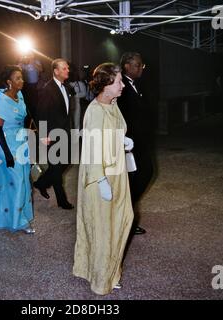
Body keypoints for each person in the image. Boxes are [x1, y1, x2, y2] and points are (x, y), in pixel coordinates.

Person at [73, 63, 134, 295]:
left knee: (122, 219)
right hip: (102, 179)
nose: (122, 85)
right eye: (119, 81)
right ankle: (101, 280)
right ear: (107, 83)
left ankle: (110, 271)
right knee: (103, 229)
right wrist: (100, 180)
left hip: (118, 174)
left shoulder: (113, 104)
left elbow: (112, 134)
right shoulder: (95, 110)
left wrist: (122, 141)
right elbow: (91, 149)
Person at [0, 65, 35, 234]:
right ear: (9, 82)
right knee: (16, 180)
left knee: (22, 179)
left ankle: (14, 215)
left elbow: (25, 119)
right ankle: (19, 223)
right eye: (18, 78)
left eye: (22, 77)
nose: (22, 81)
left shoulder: (20, 95)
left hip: (20, 141)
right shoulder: (2, 99)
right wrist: (8, 154)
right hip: (5, 144)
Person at [117, 52, 153, 235]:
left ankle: (126, 216)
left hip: (140, 141)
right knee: (138, 177)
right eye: (137, 65)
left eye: (141, 65)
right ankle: (125, 220)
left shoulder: (136, 84)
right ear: (127, 66)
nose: (141, 68)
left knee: (143, 175)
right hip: (130, 143)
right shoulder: (121, 85)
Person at [33, 58, 74, 210]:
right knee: (56, 167)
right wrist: (44, 134)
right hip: (52, 134)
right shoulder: (47, 89)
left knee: (68, 160)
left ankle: (41, 183)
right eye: (64, 68)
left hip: (65, 132)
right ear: (56, 71)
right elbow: (41, 113)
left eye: (67, 68)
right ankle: (62, 200)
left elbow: (65, 113)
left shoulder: (67, 88)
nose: (67, 70)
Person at [19, 53, 43, 119]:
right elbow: (17, 70)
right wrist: (21, 62)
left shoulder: (36, 61)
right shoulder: (22, 62)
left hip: (35, 85)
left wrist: (32, 62)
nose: (28, 56)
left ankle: (36, 117)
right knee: (27, 102)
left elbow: (41, 69)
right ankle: (28, 117)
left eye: (30, 54)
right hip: (25, 86)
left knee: (35, 103)